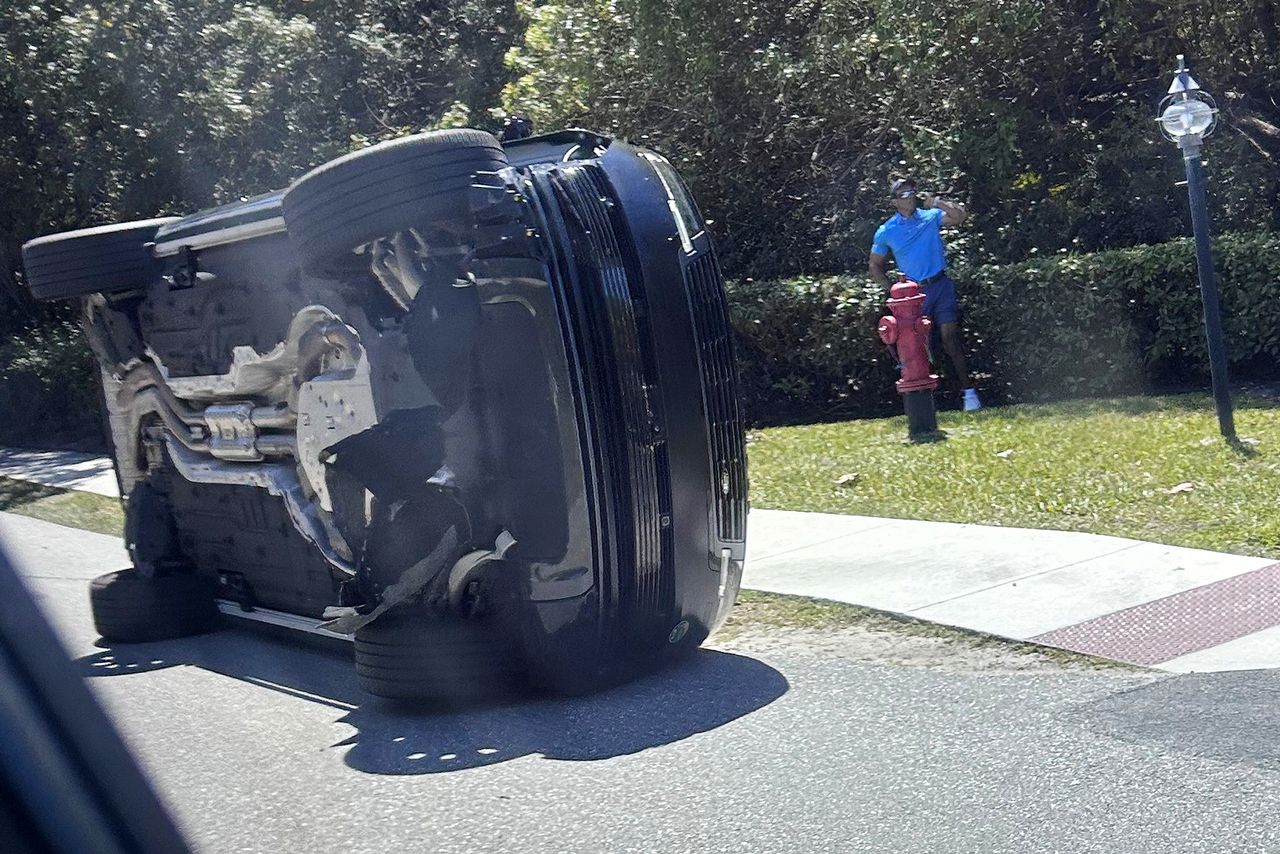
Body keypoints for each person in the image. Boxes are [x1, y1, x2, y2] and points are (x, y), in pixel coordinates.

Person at [868, 177, 981, 411]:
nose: (909, 197)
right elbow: (874, 266)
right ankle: (926, 403)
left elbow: (960, 217)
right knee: (919, 348)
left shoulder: (929, 217)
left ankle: (969, 394)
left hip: (940, 284)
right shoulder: (886, 231)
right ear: (894, 202)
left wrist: (937, 202)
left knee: (950, 338)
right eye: (903, 194)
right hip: (913, 296)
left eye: (911, 192)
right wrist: (894, 291)